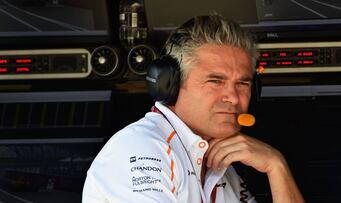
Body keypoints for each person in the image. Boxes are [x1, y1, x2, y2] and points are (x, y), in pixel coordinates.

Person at [82, 14, 305, 203]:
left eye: (243, 83)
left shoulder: (223, 168)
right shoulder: (139, 151)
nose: (233, 98)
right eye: (215, 81)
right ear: (170, 84)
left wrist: (277, 166)